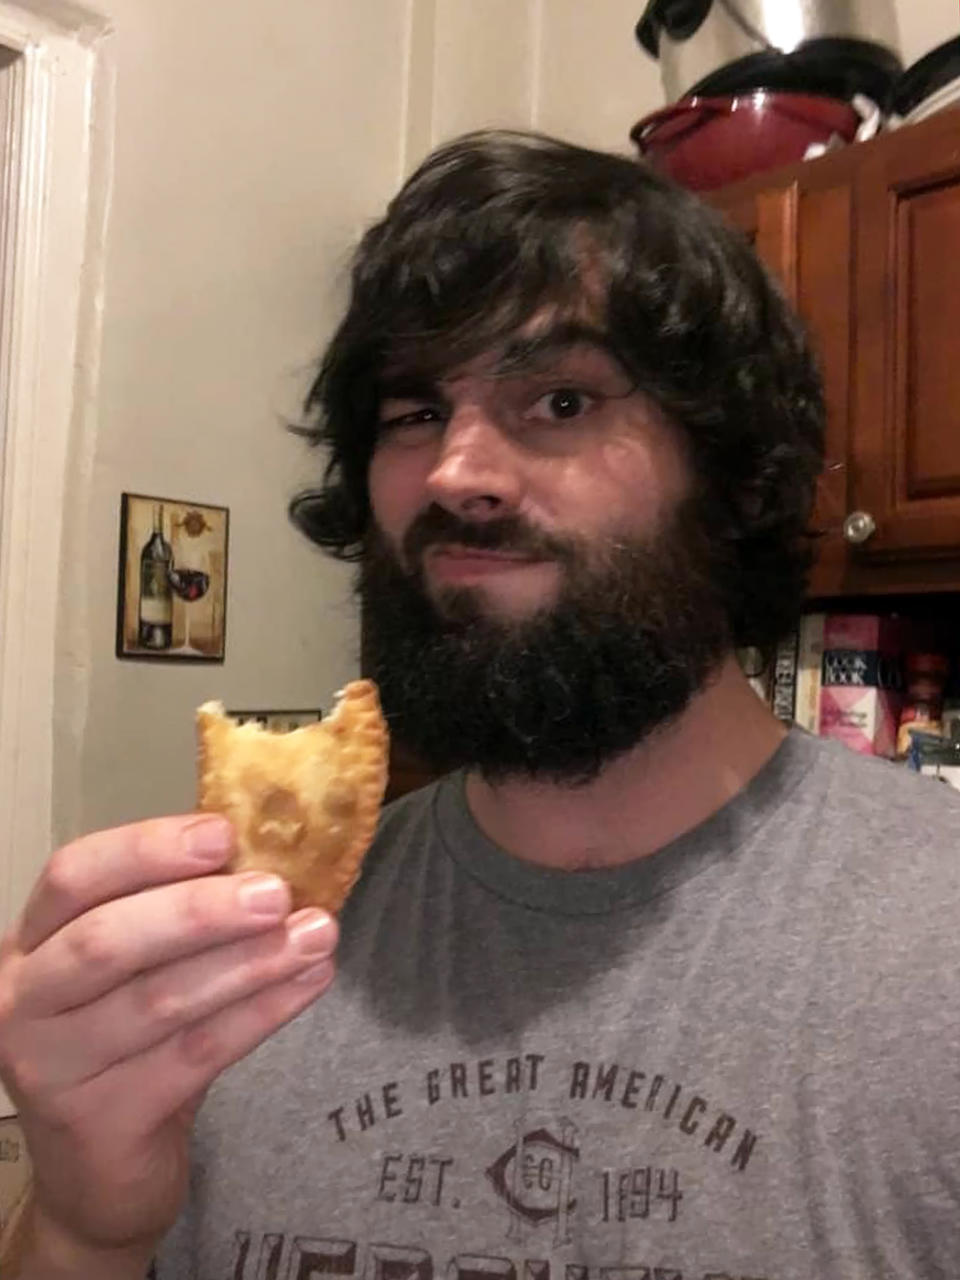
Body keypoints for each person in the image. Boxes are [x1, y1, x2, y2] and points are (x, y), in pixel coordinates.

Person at [2, 129, 960, 1280]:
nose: (455, 472)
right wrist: (83, 1225)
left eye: (559, 397)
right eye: (413, 413)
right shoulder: (243, 950)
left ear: (731, 472)